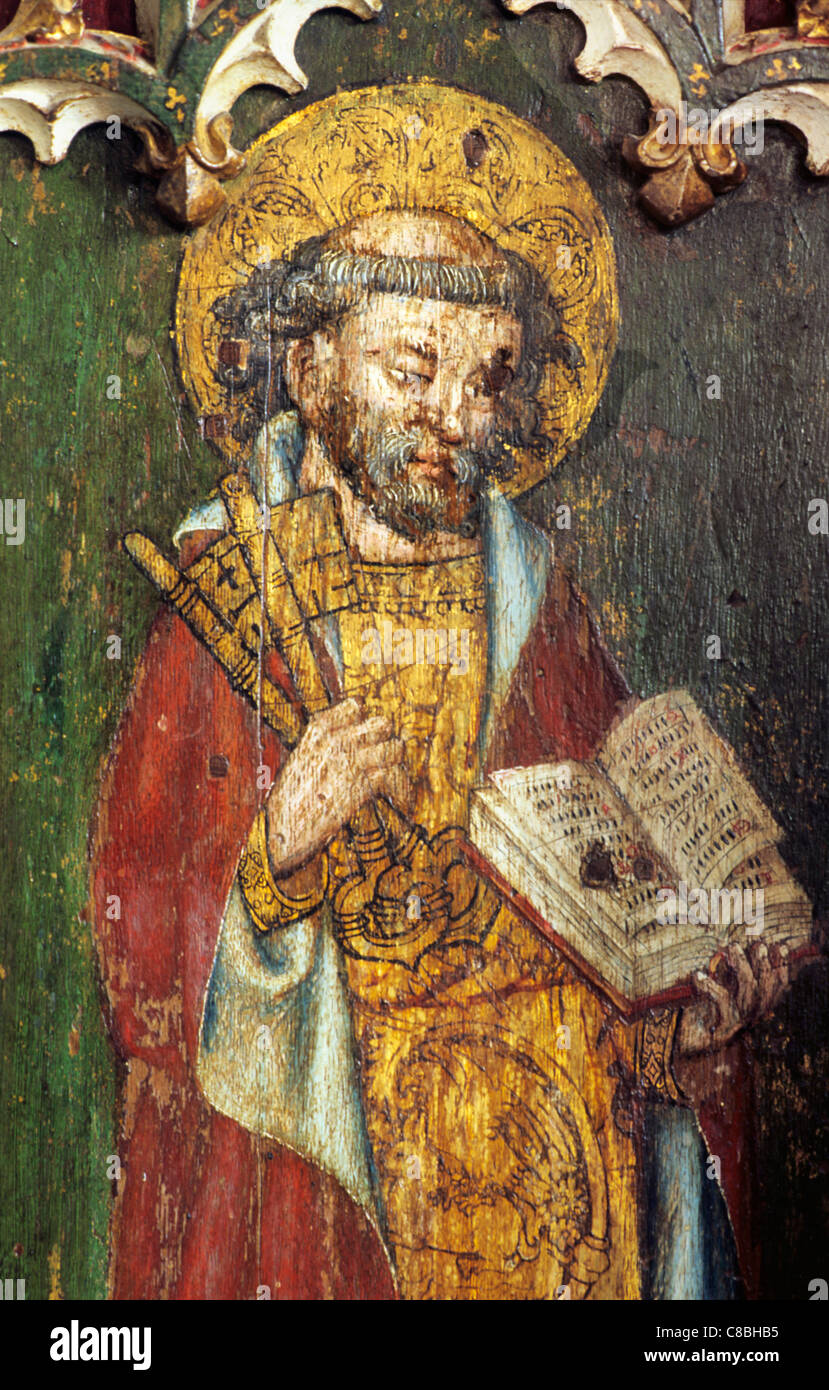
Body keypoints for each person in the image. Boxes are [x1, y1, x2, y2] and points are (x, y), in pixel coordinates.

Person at [91, 208, 795, 1300]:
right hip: (340, 1172)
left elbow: (600, 902)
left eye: (486, 380)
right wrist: (275, 855)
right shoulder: (223, 591)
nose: (452, 418)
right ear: (315, 373)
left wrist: (679, 1032)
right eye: (411, 370)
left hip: (563, 1180)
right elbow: (138, 936)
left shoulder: (531, 600)